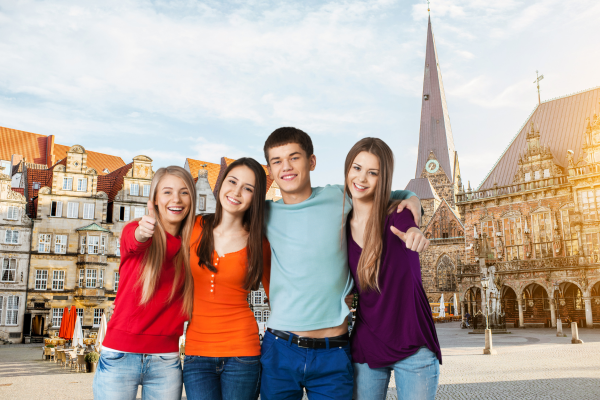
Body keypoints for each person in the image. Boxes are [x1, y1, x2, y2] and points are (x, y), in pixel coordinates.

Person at [259, 127, 427, 400]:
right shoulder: (264, 213)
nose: (286, 167)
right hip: (280, 347)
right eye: (277, 161)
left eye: (294, 158)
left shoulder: (339, 197)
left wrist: (413, 200)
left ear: (311, 162)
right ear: (270, 170)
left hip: (333, 352)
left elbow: (383, 191)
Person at [344, 138, 441, 400]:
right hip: (367, 345)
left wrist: (414, 232)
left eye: (372, 172)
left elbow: (410, 224)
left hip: (413, 342)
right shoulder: (341, 226)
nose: (361, 178)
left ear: (383, 178)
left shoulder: (398, 213)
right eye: (357, 168)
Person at [93, 166, 196, 400]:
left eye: (184, 192)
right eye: (167, 192)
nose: (176, 199)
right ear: (155, 200)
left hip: (166, 360)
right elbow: (133, 241)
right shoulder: (136, 230)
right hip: (120, 354)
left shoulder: (192, 244)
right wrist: (143, 233)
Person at [183, 157, 271, 400]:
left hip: (243, 351)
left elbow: (277, 295)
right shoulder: (194, 227)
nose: (236, 191)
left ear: (256, 197)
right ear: (221, 184)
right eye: (232, 181)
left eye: (248, 188)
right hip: (196, 351)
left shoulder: (258, 242)